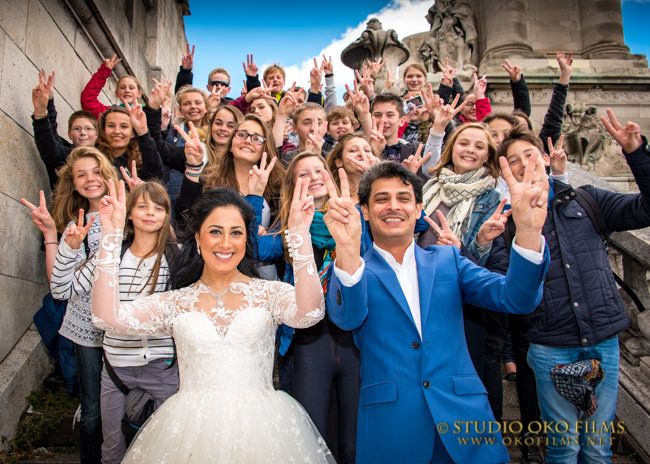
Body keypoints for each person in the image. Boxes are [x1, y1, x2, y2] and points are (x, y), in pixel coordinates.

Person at [91, 179, 335, 463]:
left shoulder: (268, 294)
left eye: (236, 233)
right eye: (215, 232)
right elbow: (105, 317)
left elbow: (310, 313)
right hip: (189, 430)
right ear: (197, 237)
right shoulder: (177, 302)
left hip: (262, 429)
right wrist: (109, 236)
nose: (225, 243)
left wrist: (300, 236)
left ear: (247, 239)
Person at [322, 159, 550, 463]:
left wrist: (529, 233)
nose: (393, 206)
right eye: (381, 199)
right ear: (364, 210)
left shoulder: (447, 260)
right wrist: (348, 249)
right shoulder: (355, 269)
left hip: (465, 422)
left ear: (418, 209)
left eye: (404, 198)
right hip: (392, 429)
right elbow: (347, 318)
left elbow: (516, 298)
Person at [487, 113, 650, 464]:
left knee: (597, 447)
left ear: (546, 158)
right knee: (563, 449)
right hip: (548, 346)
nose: (523, 164)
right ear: (505, 174)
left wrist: (636, 154)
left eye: (529, 154)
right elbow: (504, 286)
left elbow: (645, 209)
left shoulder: (587, 200)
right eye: (512, 161)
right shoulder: (504, 220)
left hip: (602, 340)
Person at [49, 147, 119, 464]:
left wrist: (116, 227)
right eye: (81, 174)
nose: (90, 178)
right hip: (87, 330)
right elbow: (66, 288)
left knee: (124, 406)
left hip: (123, 327)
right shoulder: (76, 228)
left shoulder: (129, 215)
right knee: (92, 413)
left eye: (96, 170)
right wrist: (100, 241)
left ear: (108, 174)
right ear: (74, 185)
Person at [31, 70, 98, 189]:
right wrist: (45, 106)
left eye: (88, 129)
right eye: (77, 128)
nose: (83, 132)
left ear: (96, 134)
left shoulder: (103, 158)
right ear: (70, 134)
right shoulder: (67, 155)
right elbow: (51, 144)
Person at [81, 54, 142, 120]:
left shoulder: (148, 113)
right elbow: (88, 99)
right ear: (117, 93)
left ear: (139, 93)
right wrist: (104, 72)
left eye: (131, 88)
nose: (127, 90)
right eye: (122, 88)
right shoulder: (110, 113)